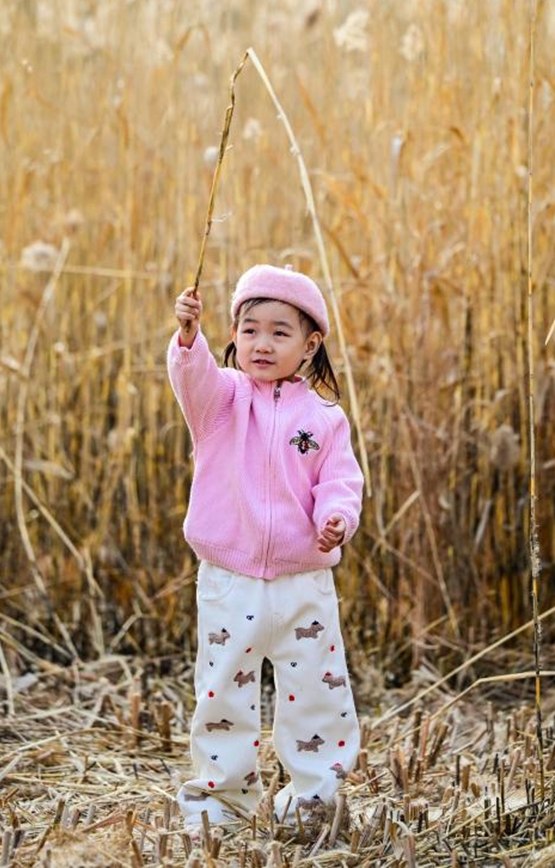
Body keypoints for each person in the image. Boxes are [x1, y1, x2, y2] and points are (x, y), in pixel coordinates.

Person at [167, 263, 363, 833]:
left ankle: (316, 801)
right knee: (223, 689)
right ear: (234, 335)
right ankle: (221, 804)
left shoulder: (325, 417)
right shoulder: (221, 403)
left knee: (318, 695)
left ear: (311, 344)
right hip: (231, 581)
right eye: (249, 329)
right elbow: (193, 377)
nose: (261, 343)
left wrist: (334, 519)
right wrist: (187, 339)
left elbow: (340, 482)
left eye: (280, 331)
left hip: (304, 585)